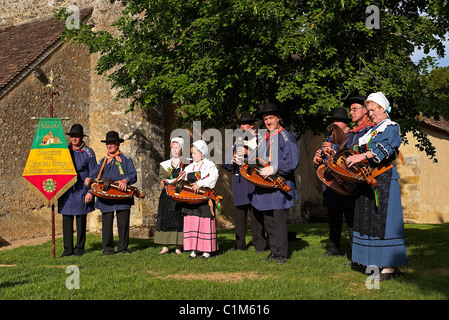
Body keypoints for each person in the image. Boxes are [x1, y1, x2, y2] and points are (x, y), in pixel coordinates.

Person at [345, 92, 407, 281]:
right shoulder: (373, 130)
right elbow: (359, 149)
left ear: (383, 109)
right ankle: (373, 262)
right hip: (367, 180)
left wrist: (361, 156)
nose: (370, 113)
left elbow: (388, 148)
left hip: (383, 180)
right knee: (369, 221)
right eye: (369, 110)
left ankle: (388, 268)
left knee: (384, 222)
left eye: (373, 110)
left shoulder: (390, 127)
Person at [251, 103, 299, 264]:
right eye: (265, 119)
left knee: (278, 220)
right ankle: (273, 250)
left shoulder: (286, 136)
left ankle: (282, 254)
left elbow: (292, 161)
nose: (268, 121)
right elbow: (257, 159)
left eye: (271, 117)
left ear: (278, 118)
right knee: (269, 219)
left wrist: (275, 168)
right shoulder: (263, 138)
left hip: (279, 183)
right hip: (265, 185)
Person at [86, 131, 137, 255]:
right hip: (106, 197)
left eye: (112, 144)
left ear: (118, 144)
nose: (109, 146)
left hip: (122, 196)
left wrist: (125, 180)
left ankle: (123, 248)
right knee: (107, 224)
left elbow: (133, 175)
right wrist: (89, 183)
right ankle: (108, 249)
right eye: (108, 144)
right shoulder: (102, 161)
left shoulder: (126, 159)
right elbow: (94, 177)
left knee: (123, 223)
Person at [222, 112, 266, 252]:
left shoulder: (260, 140)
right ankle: (239, 245)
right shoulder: (237, 142)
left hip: (254, 181)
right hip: (240, 182)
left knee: (256, 214)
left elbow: (265, 159)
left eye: (244, 124)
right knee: (240, 215)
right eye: (240, 124)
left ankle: (259, 244)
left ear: (251, 125)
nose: (242, 126)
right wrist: (232, 159)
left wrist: (249, 153)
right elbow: (226, 165)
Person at [313, 107, 353, 256]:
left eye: (338, 121)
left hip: (348, 185)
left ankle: (355, 251)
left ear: (345, 124)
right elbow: (323, 163)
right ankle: (333, 248)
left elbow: (349, 153)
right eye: (333, 121)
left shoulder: (351, 137)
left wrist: (333, 148)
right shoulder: (328, 139)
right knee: (333, 220)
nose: (334, 124)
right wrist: (317, 160)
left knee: (351, 221)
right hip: (331, 185)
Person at [58, 124, 97, 257]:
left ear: (81, 137)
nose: (74, 139)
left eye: (77, 136)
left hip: (82, 190)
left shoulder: (89, 152)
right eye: (72, 136)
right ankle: (67, 249)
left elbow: (94, 173)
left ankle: (80, 248)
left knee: (81, 220)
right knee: (67, 219)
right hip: (67, 190)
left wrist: (90, 191)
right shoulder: (63, 151)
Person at [181, 140, 219, 260]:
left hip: (204, 198)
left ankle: (206, 250)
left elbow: (213, 178)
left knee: (204, 223)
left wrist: (200, 183)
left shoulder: (209, 165)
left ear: (202, 153)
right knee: (192, 222)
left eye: (195, 153)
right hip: (192, 199)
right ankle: (193, 249)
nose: (192, 155)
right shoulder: (190, 167)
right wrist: (170, 182)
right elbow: (182, 176)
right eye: (192, 153)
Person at [154, 137, 186, 254]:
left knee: (178, 219)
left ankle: (178, 246)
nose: (174, 150)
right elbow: (161, 177)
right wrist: (162, 181)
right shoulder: (165, 164)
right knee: (166, 219)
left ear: (181, 149)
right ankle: (165, 246)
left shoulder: (186, 163)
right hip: (167, 195)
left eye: (177, 147)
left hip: (180, 195)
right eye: (172, 147)